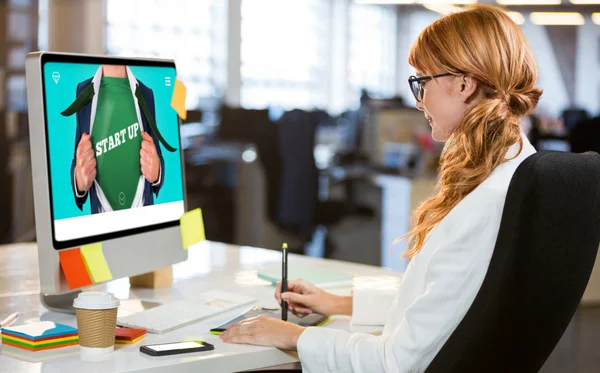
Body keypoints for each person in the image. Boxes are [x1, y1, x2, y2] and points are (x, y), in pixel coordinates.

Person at [219, 5, 542, 372]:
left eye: (423, 82)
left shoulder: (487, 203)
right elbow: (436, 308)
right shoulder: (509, 174)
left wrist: (292, 336)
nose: (418, 102)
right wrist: (337, 303)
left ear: (465, 84)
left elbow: (394, 362)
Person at [61, 65, 176, 214]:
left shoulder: (146, 93)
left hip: (143, 218)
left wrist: (157, 173)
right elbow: (78, 154)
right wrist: (79, 180)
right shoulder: (83, 90)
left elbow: (157, 153)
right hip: (103, 222)